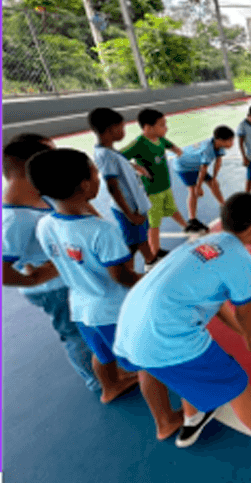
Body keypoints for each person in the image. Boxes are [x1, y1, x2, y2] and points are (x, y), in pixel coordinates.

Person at [114, 192, 251, 464]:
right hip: (167, 337)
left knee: (184, 370)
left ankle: (193, 416)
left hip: (132, 328)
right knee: (236, 384)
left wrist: (244, 334)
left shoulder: (206, 243)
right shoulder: (242, 261)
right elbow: (243, 310)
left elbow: (217, 304)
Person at [29, 149, 184, 439]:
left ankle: (109, 387)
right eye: (94, 173)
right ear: (86, 185)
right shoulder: (102, 232)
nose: (98, 178)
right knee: (145, 364)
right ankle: (166, 420)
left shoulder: (45, 225)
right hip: (114, 310)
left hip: (81, 307)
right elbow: (122, 277)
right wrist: (151, 283)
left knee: (100, 353)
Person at [2, 139, 99, 393]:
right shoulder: (14, 218)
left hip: (70, 278)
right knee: (74, 332)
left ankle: (104, 369)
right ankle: (95, 378)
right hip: (53, 289)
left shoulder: (42, 196)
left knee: (88, 324)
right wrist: (34, 279)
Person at [89, 108, 157, 269]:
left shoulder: (108, 151)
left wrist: (134, 167)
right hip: (129, 208)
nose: (124, 131)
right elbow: (112, 186)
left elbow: (119, 164)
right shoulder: (106, 155)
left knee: (136, 242)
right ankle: (144, 266)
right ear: (111, 129)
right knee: (137, 242)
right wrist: (130, 214)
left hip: (134, 206)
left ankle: (143, 264)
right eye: (122, 127)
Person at [121, 109, 192, 258]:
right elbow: (117, 158)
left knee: (172, 209)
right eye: (162, 125)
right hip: (152, 191)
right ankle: (155, 252)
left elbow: (167, 144)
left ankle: (186, 227)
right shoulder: (139, 144)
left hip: (165, 186)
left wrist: (176, 149)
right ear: (148, 127)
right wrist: (136, 167)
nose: (166, 128)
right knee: (154, 224)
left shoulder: (159, 139)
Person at [175, 125, 235, 233]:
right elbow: (203, 169)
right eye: (230, 140)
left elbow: (218, 162)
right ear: (220, 140)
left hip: (196, 163)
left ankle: (223, 206)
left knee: (213, 183)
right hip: (183, 165)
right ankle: (192, 220)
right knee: (193, 191)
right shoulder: (208, 150)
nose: (232, 143)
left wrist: (214, 178)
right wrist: (198, 187)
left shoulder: (218, 145)